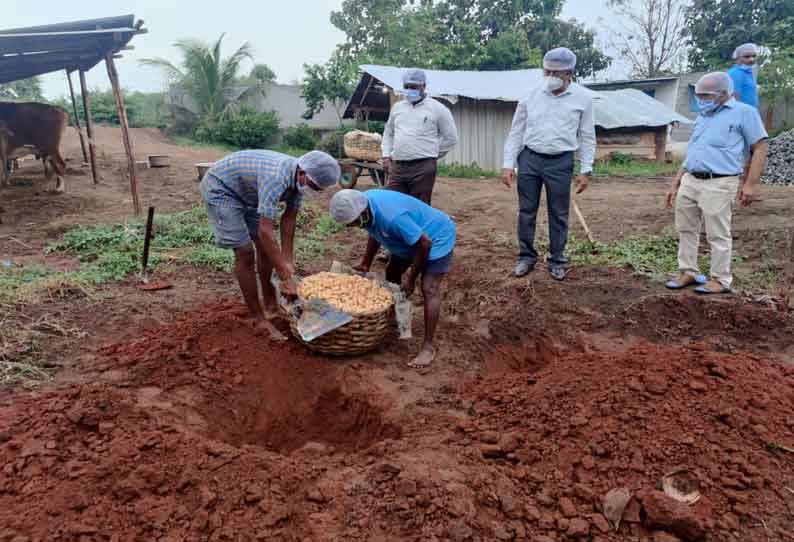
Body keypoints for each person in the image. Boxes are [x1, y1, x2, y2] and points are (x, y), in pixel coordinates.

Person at [200, 150, 340, 337]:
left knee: (265, 250)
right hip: (223, 189)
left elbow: (289, 220)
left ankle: (271, 307)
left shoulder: (299, 180)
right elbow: (266, 231)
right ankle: (258, 319)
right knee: (245, 252)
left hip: (248, 191)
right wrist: (284, 276)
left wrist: (287, 262)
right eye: (315, 187)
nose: (315, 192)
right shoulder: (276, 177)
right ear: (302, 173)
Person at [665, 72, 768, 294]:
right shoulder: (704, 116)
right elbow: (693, 152)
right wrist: (676, 183)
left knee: (717, 233)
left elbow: (759, 147)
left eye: (705, 95)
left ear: (723, 94)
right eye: (699, 95)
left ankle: (720, 279)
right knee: (686, 228)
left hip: (720, 182)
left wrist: (750, 184)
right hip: (691, 179)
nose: (700, 100)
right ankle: (689, 272)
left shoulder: (745, 113)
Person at [329, 189, 456, 369]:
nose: (351, 226)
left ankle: (428, 347)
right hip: (410, 237)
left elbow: (424, 244)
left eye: (352, 223)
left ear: (362, 212)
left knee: (429, 287)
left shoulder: (392, 218)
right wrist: (366, 262)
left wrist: (411, 277)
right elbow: (374, 230)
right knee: (392, 274)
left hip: (435, 236)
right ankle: (398, 318)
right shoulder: (361, 204)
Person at [502, 47, 596, 281]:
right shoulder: (530, 94)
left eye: (557, 72)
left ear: (569, 73)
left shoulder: (583, 98)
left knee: (559, 213)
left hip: (561, 161)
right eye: (547, 71)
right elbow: (516, 131)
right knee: (526, 211)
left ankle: (557, 260)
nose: (551, 76)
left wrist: (586, 169)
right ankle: (526, 256)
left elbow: (587, 135)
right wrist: (507, 164)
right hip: (530, 158)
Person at [381, 68, 458, 205]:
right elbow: (388, 132)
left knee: (418, 207)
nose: (410, 90)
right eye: (407, 87)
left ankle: (420, 227)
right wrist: (386, 156)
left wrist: (432, 154)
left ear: (424, 86)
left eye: (414, 87)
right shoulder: (397, 108)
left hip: (423, 168)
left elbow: (451, 138)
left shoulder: (438, 109)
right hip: (398, 167)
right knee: (393, 204)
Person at [728, 43, 760, 108]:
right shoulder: (736, 73)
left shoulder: (747, 72)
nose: (751, 59)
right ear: (737, 58)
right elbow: (734, 98)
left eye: (754, 56)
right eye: (747, 57)